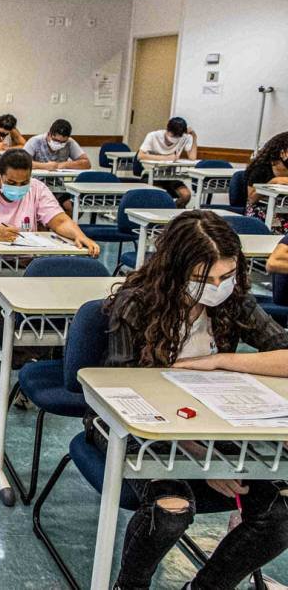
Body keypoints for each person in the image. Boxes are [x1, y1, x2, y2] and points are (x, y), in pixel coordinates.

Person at [95, 210, 288, 590]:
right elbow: (122, 395)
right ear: (175, 271)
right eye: (203, 279)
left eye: (226, 276)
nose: (217, 286)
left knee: (280, 513)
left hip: (209, 422)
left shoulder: (233, 302)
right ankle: (129, 585)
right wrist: (204, 458)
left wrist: (219, 360)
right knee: (170, 512)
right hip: (132, 426)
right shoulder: (137, 305)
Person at [0, 148, 99, 367]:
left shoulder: (38, 189)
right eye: (12, 182)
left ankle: (47, 357)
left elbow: (58, 220)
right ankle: (27, 359)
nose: (18, 188)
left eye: (24, 183)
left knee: (56, 295)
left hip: (27, 266)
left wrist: (80, 235)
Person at [23, 119, 91, 216]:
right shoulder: (35, 141)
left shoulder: (70, 143)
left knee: (74, 208)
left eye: (62, 142)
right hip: (35, 185)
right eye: (56, 140)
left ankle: (61, 227)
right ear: (49, 134)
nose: (59, 144)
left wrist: (61, 165)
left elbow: (86, 163)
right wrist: (45, 166)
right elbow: (21, 162)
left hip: (59, 186)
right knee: (39, 209)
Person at [137, 116, 200, 208]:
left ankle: (173, 213)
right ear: (167, 129)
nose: (174, 139)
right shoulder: (153, 136)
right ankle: (162, 215)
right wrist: (165, 158)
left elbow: (192, 157)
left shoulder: (183, 137)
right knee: (160, 196)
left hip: (171, 177)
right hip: (151, 175)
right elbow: (140, 155)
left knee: (186, 195)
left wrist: (194, 136)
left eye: (177, 136)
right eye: (172, 136)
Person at [245, 131, 288, 232]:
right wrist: (273, 182)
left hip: (283, 209)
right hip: (262, 209)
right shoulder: (262, 168)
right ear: (281, 151)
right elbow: (251, 199)